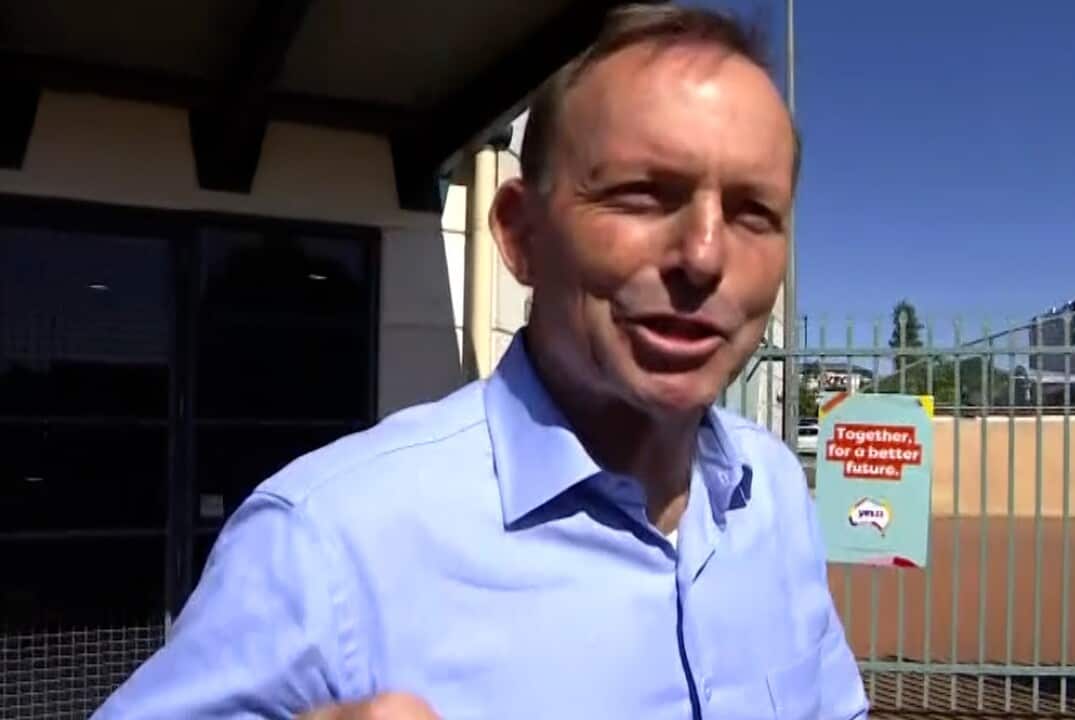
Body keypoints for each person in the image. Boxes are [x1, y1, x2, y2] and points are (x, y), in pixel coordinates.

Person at [93, 4, 868, 718]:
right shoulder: (328, 545)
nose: (704, 256)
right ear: (521, 234)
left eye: (752, 213)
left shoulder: (775, 500)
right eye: (641, 195)